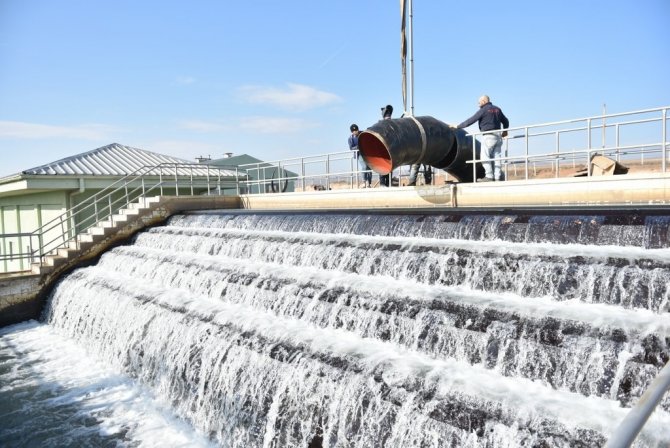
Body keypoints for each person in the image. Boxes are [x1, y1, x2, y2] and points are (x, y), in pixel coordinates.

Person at [452, 95, 509, 182]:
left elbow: (471, 120)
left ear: (483, 101)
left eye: (479, 102)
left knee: (485, 157)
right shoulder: (497, 109)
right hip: (498, 137)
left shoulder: (483, 110)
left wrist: (458, 126)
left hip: (488, 136)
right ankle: (498, 177)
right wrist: (505, 131)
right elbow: (506, 121)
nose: (478, 104)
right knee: (497, 158)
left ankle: (489, 176)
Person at [348, 123, 372, 188]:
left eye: (356, 130)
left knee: (369, 167)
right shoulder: (351, 138)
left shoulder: (362, 134)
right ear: (352, 132)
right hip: (359, 154)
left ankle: (369, 183)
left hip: (367, 153)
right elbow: (351, 148)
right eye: (354, 131)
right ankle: (364, 181)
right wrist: (358, 147)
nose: (355, 132)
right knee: (364, 166)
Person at [379, 105, 393, 187]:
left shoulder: (392, 124)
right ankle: (383, 183)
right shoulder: (380, 124)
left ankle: (388, 182)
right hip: (383, 148)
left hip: (390, 149)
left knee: (390, 167)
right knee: (382, 166)